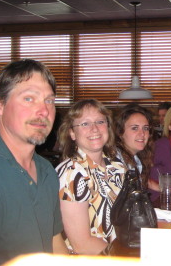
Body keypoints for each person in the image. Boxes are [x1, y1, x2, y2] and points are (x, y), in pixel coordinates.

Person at [0, 59, 67, 266]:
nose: (44, 111)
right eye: (28, 98)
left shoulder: (46, 170)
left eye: (49, 101)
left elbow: (54, 242)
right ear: (0, 105)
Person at [56, 99, 125, 255]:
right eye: (85, 124)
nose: (94, 129)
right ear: (72, 133)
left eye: (100, 121)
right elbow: (82, 245)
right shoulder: (72, 174)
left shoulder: (118, 168)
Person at [114, 103, 157, 192]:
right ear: (120, 132)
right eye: (134, 128)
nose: (142, 134)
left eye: (145, 128)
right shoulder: (116, 163)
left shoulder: (136, 159)